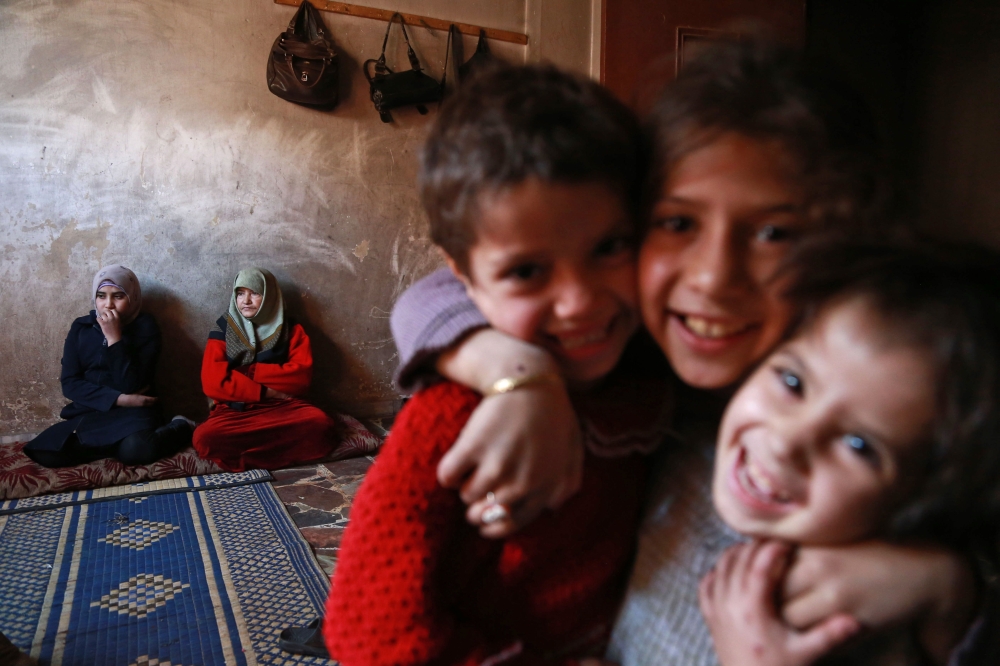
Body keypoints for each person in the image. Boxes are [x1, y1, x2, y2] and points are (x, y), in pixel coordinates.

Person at [388, 40, 987, 664]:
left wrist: (949, 589)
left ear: (841, 250)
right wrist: (521, 377)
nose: (713, 277)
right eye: (678, 223)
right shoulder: (630, 343)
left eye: (774, 233)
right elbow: (436, 295)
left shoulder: (868, 400)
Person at [323, 63, 666, 664]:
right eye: (528, 272)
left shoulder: (650, 369)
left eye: (610, 247)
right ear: (463, 276)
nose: (581, 301)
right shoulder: (452, 416)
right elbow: (368, 631)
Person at [699, 240, 1000, 665]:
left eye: (859, 446)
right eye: (791, 382)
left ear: (916, 501)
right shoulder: (680, 451)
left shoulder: (868, 626)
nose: (787, 442)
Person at [25, 265, 193, 468]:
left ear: (132, 297)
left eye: (118, 296)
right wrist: (120, 399)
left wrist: (114, 338)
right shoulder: (81, 328)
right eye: (101, 296)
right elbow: (70, 383)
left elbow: (131, 384)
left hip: (134, 414)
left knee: (136, 451)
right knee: (44, 451)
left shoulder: (145, 326)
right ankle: (114, 445)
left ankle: (181, 426)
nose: (108, 305)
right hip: (95, 410)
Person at [192, 267, 338, 471]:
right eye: (240, 293)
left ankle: (251, 456)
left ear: (269, 296)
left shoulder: (290, 328)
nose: (246, 301)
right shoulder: (224, 327)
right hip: (236, 411)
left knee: (321, 425)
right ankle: (282, 453)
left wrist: (249, 373)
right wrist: (266, 390)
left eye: (255, 293)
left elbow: (300, 377)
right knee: (205, 438)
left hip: (283, 408)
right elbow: (213, 382)